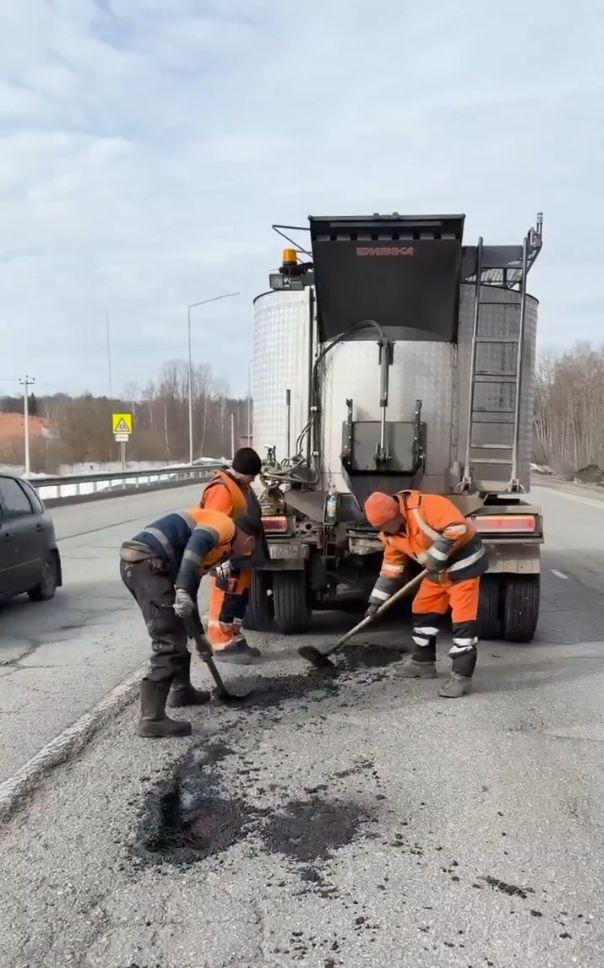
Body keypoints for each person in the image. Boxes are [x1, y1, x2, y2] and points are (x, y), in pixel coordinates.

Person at [120, 507, 254, 737]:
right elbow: (195, 546)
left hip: (145, 565)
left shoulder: (218, 550)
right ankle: (151, 719)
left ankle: (182, 691)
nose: (247, 553)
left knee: (179, 628)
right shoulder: (224, 526)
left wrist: (200, 636)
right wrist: (181, 590)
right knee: (169, 641)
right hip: (145, 562)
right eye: (251, 548)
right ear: (250, 540)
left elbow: (189, 590)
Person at [364, 489, 488, 698]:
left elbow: (458, 526)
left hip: (463, 565)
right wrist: (376, 602)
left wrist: (438, 553)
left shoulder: (426, 505)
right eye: (379, 528)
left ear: (396, 516)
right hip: (436, 571)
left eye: (384, 527)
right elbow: (391, 569)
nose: (383, 532)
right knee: (423, 608)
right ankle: (423, 663)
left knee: (462, 620)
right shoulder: (391, 534)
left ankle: (461, 678)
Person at [200, 447, 269, 664]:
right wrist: (219, 560)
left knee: (238, 599)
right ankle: (221, 643)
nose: (253, 480)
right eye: (252, 475)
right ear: (244, 471)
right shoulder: (222, 489)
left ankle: (233, 636)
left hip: (241, 556)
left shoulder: (240, 486)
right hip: (226, 558)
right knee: (225, 598)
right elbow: (212, 526)